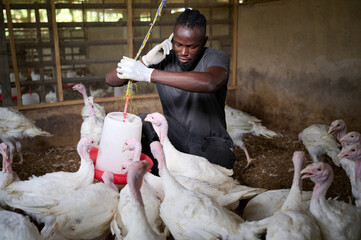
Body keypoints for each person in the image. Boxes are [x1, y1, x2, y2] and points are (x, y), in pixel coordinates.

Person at [105, 9, 235, 174]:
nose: (183, 52)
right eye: (178, 44)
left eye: (192, 46)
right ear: (172, 39)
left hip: (209, 143)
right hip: (175, 139)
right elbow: (110, 80)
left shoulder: (215, 57)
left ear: (204, 41)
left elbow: (210, 82)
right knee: (145, 121)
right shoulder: (163, 57)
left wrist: (149, 74)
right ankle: (161, 173)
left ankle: (169, 171)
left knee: (222, 163)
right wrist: (145, 61)